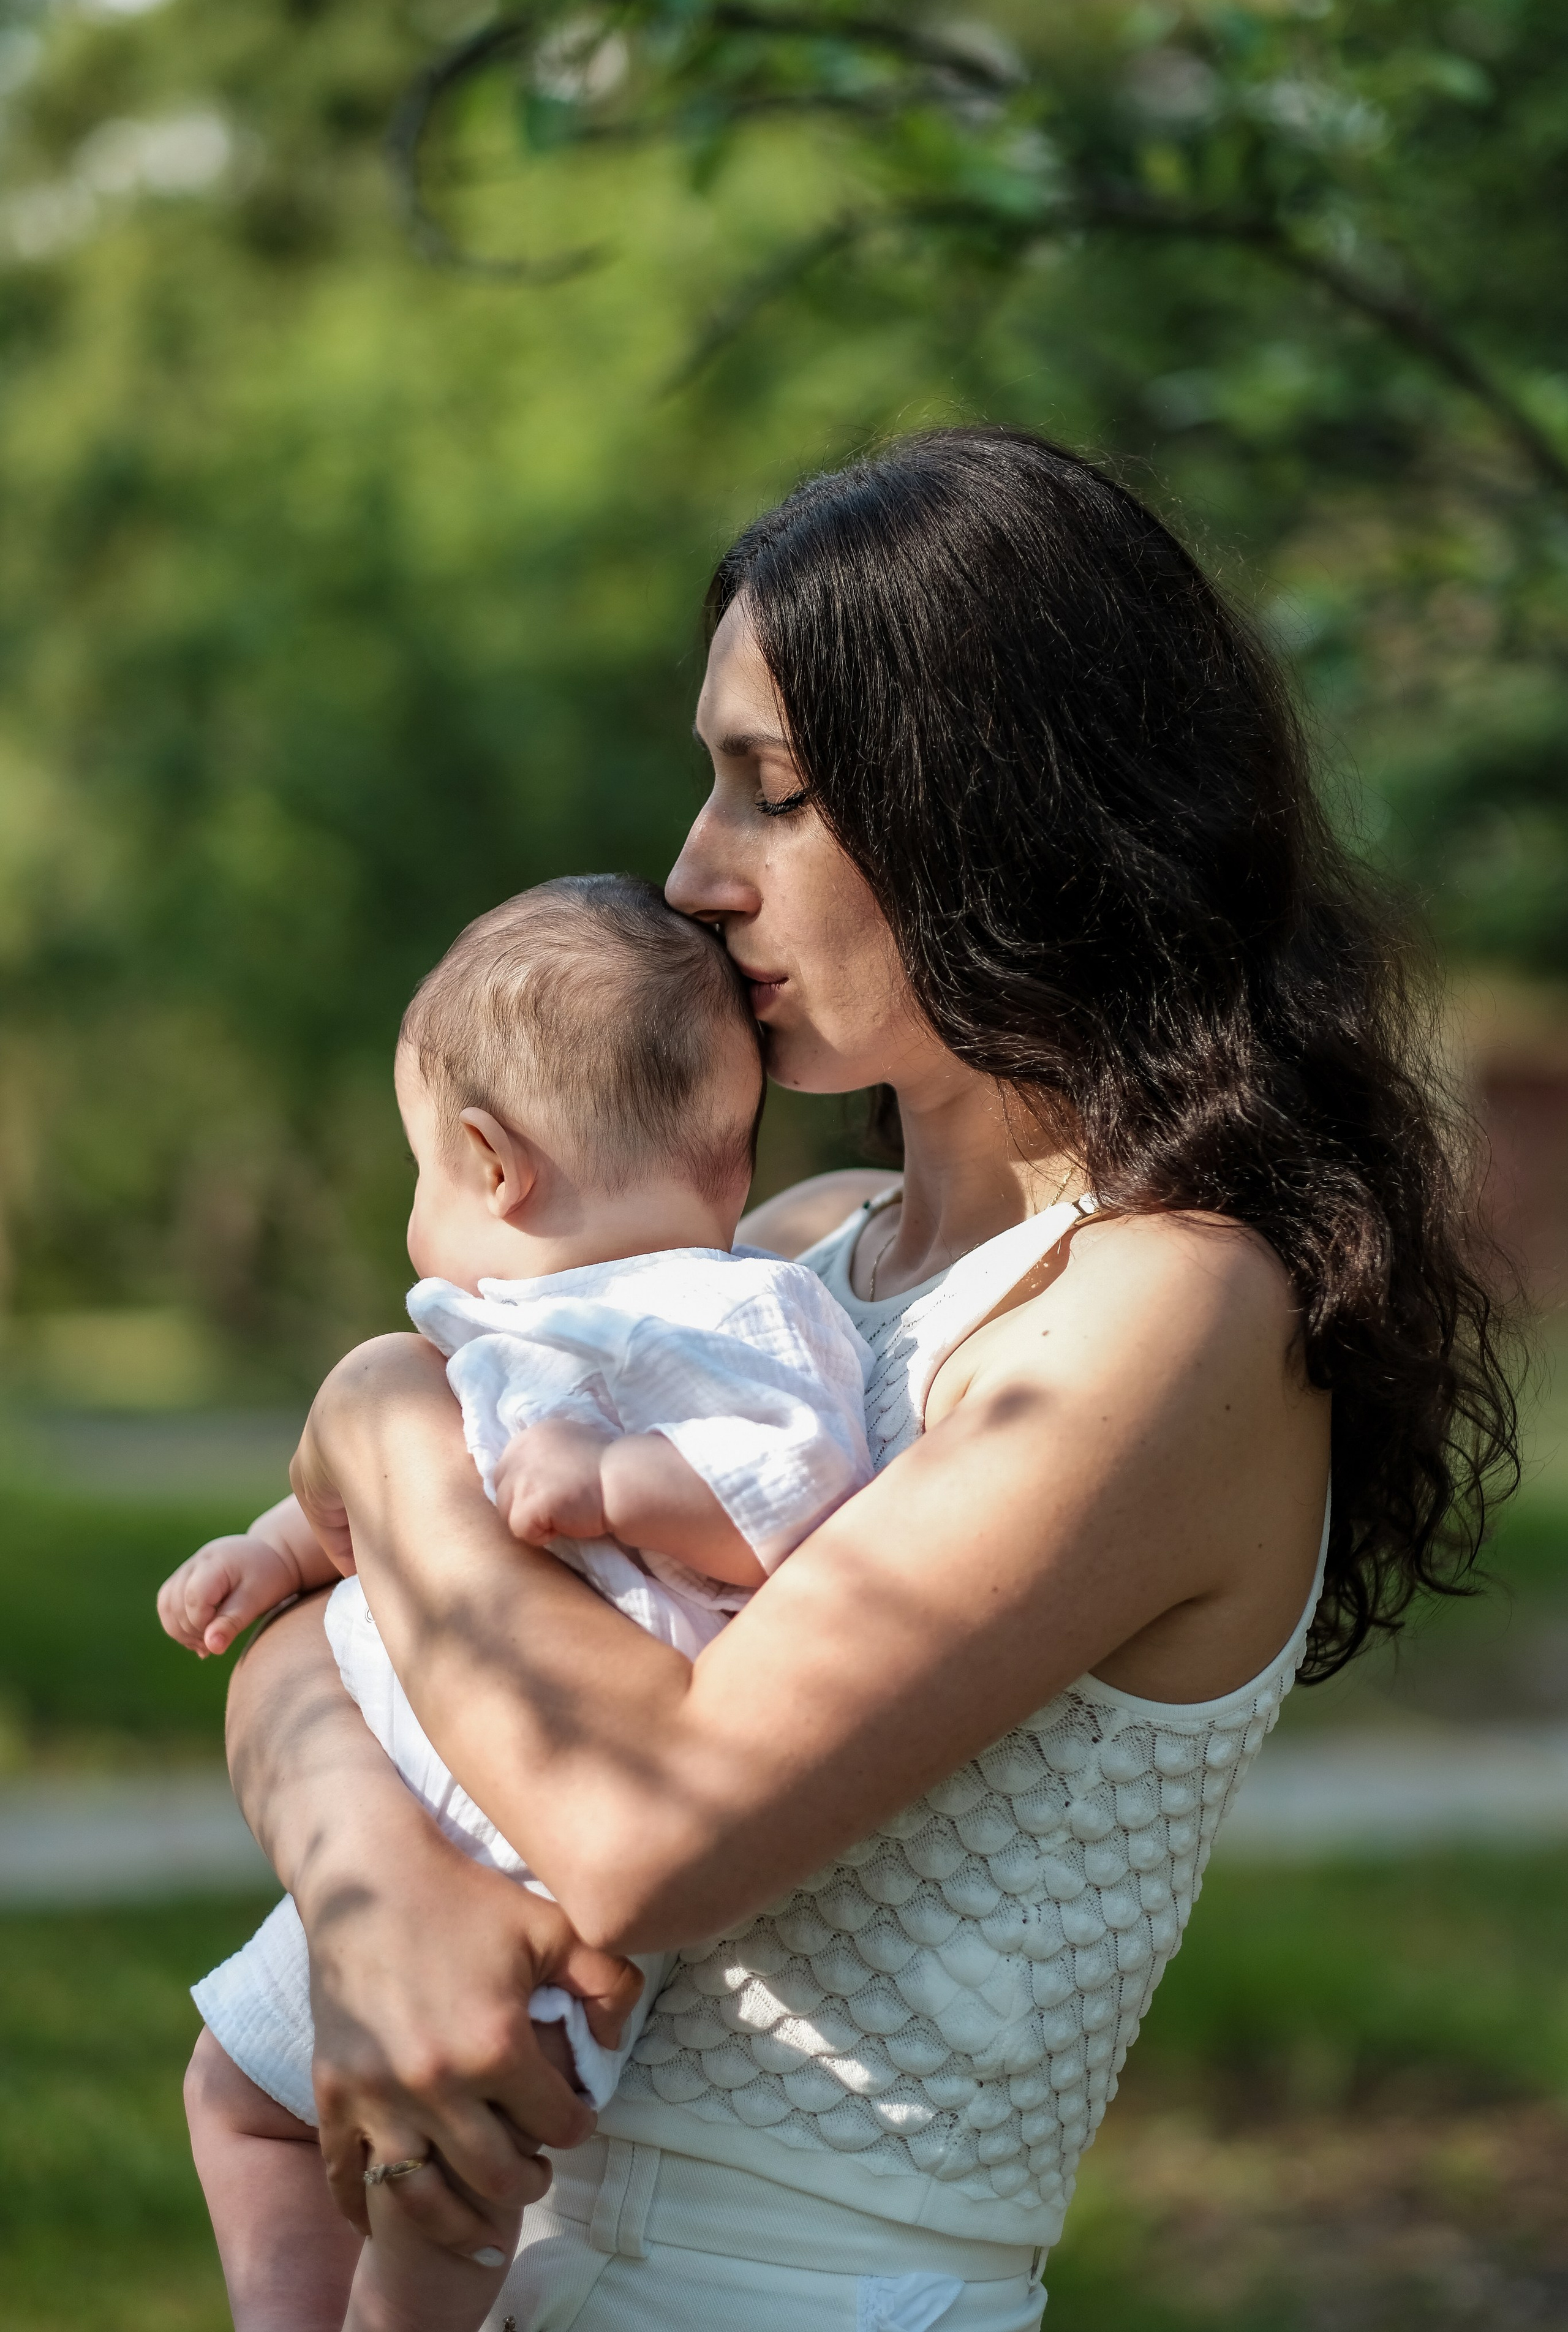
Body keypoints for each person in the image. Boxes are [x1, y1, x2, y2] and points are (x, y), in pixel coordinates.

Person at [211, 427, 1518, 2332]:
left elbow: (650, 1834)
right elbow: (304, 1650)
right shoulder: (778, 1265)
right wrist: (367, 1892)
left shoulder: (1164, 1313)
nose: (694, 872)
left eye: (772, 793)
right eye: (708, 784)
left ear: (1001, 807)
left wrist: (385, 1425)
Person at [159, 876, 875, 2331]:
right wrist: (276, 1549)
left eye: (420, 1170)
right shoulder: (492, 1325)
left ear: (491, 1164)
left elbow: (794, 1485)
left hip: (544, 1872)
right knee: (236, 2095)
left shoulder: (731, 1312)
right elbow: (377, 1511)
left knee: (443, 2195)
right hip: (407, 1825)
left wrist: (617, 1485)